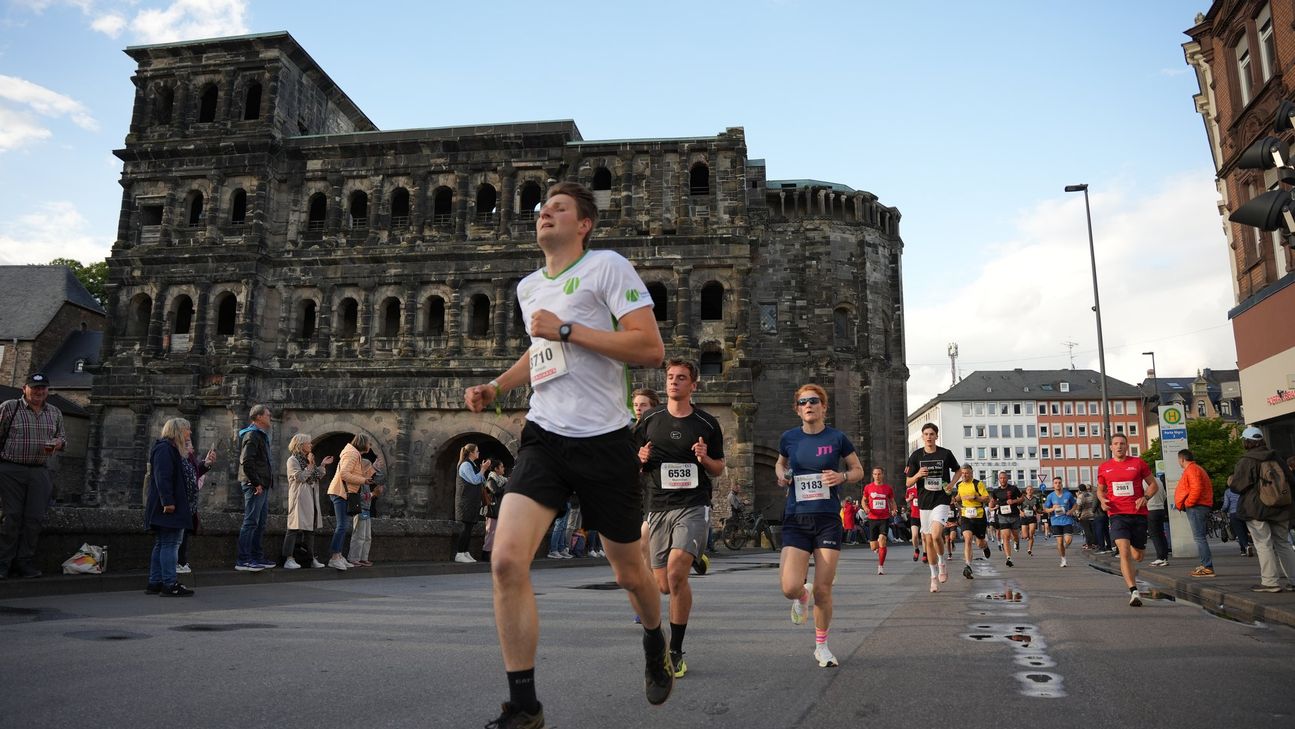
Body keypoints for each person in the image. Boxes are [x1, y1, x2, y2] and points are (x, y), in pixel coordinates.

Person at [464, 180, 671, 728]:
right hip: (545, 436)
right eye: (541, 208)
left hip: (605, 440)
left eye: (558, 208)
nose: (544, 213)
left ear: (584, 225)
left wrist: (568, 328)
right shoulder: (529, 286)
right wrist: (497, 386)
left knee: (629, 574)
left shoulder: (607, 267)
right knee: (506, 560)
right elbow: (541, 352)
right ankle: (524, 706)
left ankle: (655, 638)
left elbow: (649, 348)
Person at [635, 359, 725, 678]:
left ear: (693, 385)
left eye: (681, 378)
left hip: (693, 504)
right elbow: (631, 460)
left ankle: (674, 650)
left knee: (675, 575)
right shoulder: (649, 420)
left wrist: (704, 458)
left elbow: (719, 468)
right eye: (670, 377)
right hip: (659, 506)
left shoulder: (707, 423)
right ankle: (694, 556)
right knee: (663, 586)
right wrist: (640, 458)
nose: (674, 382)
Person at [776, 383, 865, 668]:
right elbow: (780, 464)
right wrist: (782, 475)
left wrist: (842, 477)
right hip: (796, 518)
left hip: (827, 519)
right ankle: (802, 595)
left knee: (824, 589)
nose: (808, 406)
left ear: (824, 407)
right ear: (797, 409)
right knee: (789, 587)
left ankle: (822, 646)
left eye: (814, 401)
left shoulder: (837, 438)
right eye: (803, 402)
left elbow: (858, 470)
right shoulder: (789, 438)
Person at [0, 372, 65, 579]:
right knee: (10, 517)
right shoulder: (10, 407)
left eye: (43, 388)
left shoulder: (54, 412)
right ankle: (3, 563)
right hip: (11, 469)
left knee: (35, 518)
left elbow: (62, 438)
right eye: (35, 387)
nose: (39, 391)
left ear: (48, 390)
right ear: (24, 389)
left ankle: (23, 562)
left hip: (39, 470)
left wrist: (59, 443)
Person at [1228, 426, 1295, 593]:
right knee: (1283, 543)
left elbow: (1238, 486)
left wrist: (1231, 481)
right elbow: (1291, 480)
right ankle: (1294, 580)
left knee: (1263, 544)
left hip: (1256, 509)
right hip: (1281, 507)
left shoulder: (1247, 460)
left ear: (1246, 442)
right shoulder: (1277, 458)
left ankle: (1270, 582)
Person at [1097, 433, 1160, 607]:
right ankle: (1133, 591)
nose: (1119, 446)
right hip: (1117, 514)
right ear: (1111, 447)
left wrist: (1145, 497)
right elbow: (1100, 490)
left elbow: (1153, 485)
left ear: (1127, 446)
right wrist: (1102, 500)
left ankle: (1134, 546)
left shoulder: (1138, 463)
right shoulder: (1104, 467)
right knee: (1123, 551)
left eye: (1122, 443)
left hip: (1138, 514)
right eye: (1116, 443)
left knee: (1138, 556)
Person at [904, 422, 960, 592]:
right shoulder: (916, 456)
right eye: (926, 434)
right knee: (928, 541)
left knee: (936, 535)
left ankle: (942, 563)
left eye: (931, 434)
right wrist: (918, 475)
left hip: (941, 499)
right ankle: (933, 576)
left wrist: (951, 484)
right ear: (922, 437)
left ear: (936, 436)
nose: (929, 437)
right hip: (924, 502)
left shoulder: (945, 453)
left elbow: (958, 470)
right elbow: (908, 482)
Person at [144, 418, 196, 596]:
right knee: (170, 544)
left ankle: (155, 582)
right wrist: (168, 501)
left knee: (162, 543)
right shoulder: (165, 449)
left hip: (166, 504)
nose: (189, 433)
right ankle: (169, 583)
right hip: (167, 505)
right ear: (178, 430)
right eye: (187, 429)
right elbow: (162, 477)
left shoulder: (168, 449)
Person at [235, 404, 276, 572]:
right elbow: (247, 461)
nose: (270, 417)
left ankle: (256, 556)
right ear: (259, 417)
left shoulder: (259, 435)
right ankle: (243, 559)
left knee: (260, 523)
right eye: (267, 415)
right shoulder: (252, 434)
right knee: (251, 521)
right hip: (255, 485)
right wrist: (256, 482)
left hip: (262, 484)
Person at [327, 433, 375, 571]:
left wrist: (368, 475)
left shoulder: (354, 453)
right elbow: (344, 474)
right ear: (363, 443)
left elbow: (353, 474)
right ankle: (334, 557)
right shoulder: (352, 454)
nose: (370, 446)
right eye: (369, 443)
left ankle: (339, 555)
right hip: (341, 492)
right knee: (342, 526)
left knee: (344, 526)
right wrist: (363, 480)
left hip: (345, 493)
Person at [283, 433, 331, 569]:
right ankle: (288, 558)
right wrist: (310, 464)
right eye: (308, 443)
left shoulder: (308, 459)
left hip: (310, 496)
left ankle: (310, 559)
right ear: (300, 445)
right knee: (293, 527)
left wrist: (322, 465)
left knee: (310, 529)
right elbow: (301, 477)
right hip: (299, 497)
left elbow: (316, 477)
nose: (311, 445)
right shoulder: (292, 460)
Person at [176, 435, 215, 574]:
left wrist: (206, 463)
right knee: (177, 538)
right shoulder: (180, 459)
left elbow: (195, 473)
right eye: (189, 444)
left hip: (189, 506)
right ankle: (177, 563)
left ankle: (181, 561)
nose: (192, 447)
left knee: (183, 535)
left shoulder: (189, 459)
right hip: (181, 505)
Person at [1173, 449, 1215, 577]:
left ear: (1182, 459)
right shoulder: (1196, 469)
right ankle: (1205, 565)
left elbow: (1196, 488)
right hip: (1199, 506)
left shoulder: (1192, 470)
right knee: (1200, 537)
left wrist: (1188, 503)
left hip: (1197, 507)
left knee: (1199, 538)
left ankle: (1207, 567)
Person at [455, 443, 492, 564]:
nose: (478, 453)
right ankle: (459, 553)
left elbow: (481, 481)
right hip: (465, 501)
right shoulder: (465, 464)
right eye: (477, 451)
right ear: (471, 453)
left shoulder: (473, 464)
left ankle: (465, 552)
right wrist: (483, 469)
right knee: (465, 527)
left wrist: (482, 470)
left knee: (469, 527)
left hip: (472, 500)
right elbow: (474, 480)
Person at [953, 465, 991, 580]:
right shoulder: (959, 485)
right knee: (968, 538)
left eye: (967, 473)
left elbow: (987, 498)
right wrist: (954, 499)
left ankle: (985, 546)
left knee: (980, 543)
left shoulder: (978, 484)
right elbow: (959, 496)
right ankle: (968, 566)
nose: (964, 475)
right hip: (966, 515)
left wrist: (975, 497)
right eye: (962, 473)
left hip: (979, 516)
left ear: (971, 473)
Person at [862, 467, 897, 575]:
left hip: (884, 518)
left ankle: (880, 566)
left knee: (882, 540)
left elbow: (892, 501)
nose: (877, 476)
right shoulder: (868, 487)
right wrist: (865, 507)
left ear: (883, 475)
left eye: (879, 474)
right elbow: (864, 500)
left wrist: (894, 510)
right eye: (875, 474)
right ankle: (877, 548)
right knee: (873, 546)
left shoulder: (888, 488)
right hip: (872, 518)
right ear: (873, 475)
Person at [348, 464, 384, 567]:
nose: (372, 472)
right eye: (370, 469)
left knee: (367, 536)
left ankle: (363, 558)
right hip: (360, 510)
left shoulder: (366, 482)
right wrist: (373, 494)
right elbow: (357, 496)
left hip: (366, 510)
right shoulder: (359, 481)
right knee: (359, 535)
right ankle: (354, 558)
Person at [989, 471, 1021, 568]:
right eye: (1001, 478)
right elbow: (992, 503)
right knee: (1006, 536)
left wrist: (1014, 501)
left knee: (1015, 535)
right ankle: (1008, 558)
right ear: (998, 479)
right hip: (1002, 516)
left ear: (1007, 479)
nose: (1002, 480)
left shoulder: (1013, 488)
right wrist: (991, 504)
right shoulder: (996, 491)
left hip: (1014, 515)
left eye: (1004, 478)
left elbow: (1022, 498)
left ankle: (1016, 542)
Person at [1044, 477, 1077, 567]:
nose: (1057, 484)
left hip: (1067, 520)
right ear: (1053, 485)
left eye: (1059, 482)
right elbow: (1046, 509)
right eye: (1055, 483)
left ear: (1061, 484)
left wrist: (1071, 511)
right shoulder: (1050, 496)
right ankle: (1063, 559)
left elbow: (1075, 505)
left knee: (1068, 540)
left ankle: (1063, 548)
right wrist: (1052, 508)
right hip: (1055, 521)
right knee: (1059, 542)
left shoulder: (1068, 494)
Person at [483, 461, 508, 562]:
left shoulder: (502, 480)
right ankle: (486, 554)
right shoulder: (491, 480)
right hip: (492, 510)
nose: (503, 468)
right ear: (496, 469)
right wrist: (507, 485)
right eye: (501, 467)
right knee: (491, 532)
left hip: (499, 509)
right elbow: (496, 491)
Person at [1145, 469, 1171, 568]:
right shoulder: (1159, 480)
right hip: (1160, 509)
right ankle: (1164, 557)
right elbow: (1164, 495)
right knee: (1161, 533)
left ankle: (1160, 557)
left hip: (1151, 509)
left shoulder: (1144, 482)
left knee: (1154, 535)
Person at [1220, 486, 1253, 557]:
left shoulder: (1228, 491)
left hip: (1234, 513)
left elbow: (1226, 505)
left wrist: (1223, 510)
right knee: (1246, 530)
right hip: (1245, 512)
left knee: (1239, 532)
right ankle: (1246, 548)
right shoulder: (1244, 488)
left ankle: (1245, 547)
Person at [1019, 484, 1043, 556]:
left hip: (1032, 518)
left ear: (1033, 491)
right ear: (1026, 491)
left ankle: (1029, 549)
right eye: (1028, 490)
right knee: (1025, 536)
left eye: (1031, 490)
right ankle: (1023, 534)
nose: (1029, 491)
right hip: (1024, 518)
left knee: (1031, 534)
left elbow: (1040, 510)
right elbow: (1017, 507)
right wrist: (1021, 512)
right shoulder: (1022, 499)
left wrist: (1037, 510)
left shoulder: (1036, 499)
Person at [905, 480, 922, 561]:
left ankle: (925, 553)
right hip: (914, 515)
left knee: (924, 537)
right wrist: (909, 498)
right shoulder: (910, 489)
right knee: (914, 535)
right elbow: (906, 500)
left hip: (924, 515)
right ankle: (916, 550)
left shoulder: (925, 488)